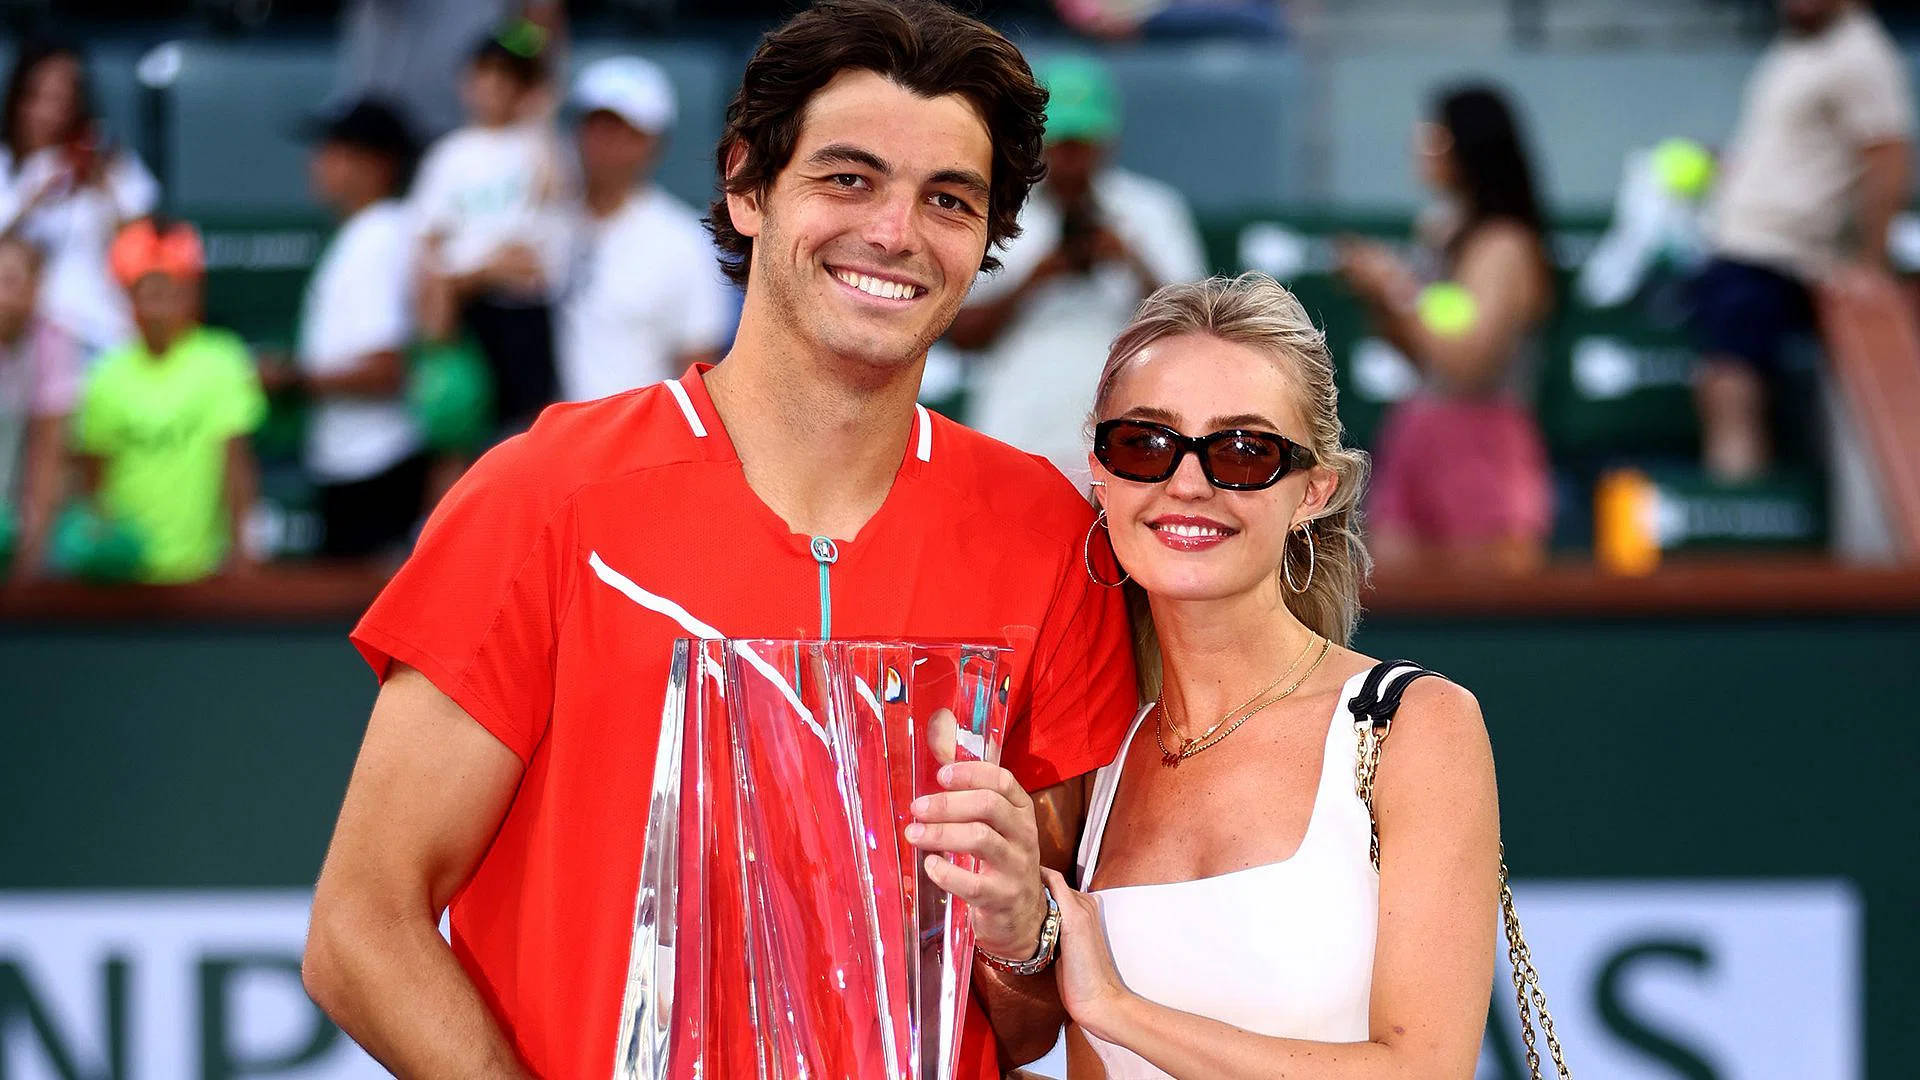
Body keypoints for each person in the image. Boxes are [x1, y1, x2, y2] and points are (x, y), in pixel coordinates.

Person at [302, 3, 1136, 1078]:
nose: (894, 230)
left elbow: (1023, 1024)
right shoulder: (542, 498)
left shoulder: (1049, 536)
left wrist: (1024, 934)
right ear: (747, 185)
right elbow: (361, 929)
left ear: (986, 239)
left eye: (948, 198)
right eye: (848, 178)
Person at [1041, 273, 1498, 1078]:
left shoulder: (1411, 723)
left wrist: (1117, 1008)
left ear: (1313, 492)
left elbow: (1422, 1071)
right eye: (1145, 444)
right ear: (1100, 475)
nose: (1188, 482)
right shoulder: (1098, 751)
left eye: (1243, 452)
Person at [950, 54, 1206, 487]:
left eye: (1081, 144)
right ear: (1037, 141)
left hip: (1127, 431)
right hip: (1016, 427)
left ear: (1106, 141)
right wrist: (1035, 280)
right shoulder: (996, 208)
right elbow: (960, 333)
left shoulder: (1151, 211)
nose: (1070, 158)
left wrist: (1131, 263)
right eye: (1060, 142)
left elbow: (1196, 330)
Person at [1691, 0, 1913, 482]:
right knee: (1723, 376)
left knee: (1732, 379)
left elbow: (1888, 155)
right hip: (1741, 244)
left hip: (1780, 254)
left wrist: (1870, 262)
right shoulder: (1795, 46)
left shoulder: (1861, 54)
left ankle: (1740, 510)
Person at [1337, 84, 1555, 576]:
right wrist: (1383, 300)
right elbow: (1425, 352)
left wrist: (1398, 287)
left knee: (1487, 597)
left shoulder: (1506, 245)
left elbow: (1468, 359)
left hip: (1482, 440)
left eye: (1437, 137)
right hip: (1420, 429)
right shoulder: (1439, 232)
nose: (1423, 148)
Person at [270, 98, 430, 559]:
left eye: (336, 150)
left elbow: (386, 370)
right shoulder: (370, 233)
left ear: (378, 165)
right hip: (353, 466)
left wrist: (290, 379)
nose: (318, 163)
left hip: (378, 473)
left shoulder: (379, 237)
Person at [72, 220, 265, 583]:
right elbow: (95, 482)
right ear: (128, 298)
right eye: (148, 290)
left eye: (170, 289)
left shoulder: (222, 360)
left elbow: (237, 467)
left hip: (202, 572)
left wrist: (245, 555)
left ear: (190, 294)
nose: (159, 302)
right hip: (123, 576)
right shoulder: (105, 376)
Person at [409, 20, 574, 436]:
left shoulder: (541, 146)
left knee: (527, 435)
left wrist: (542, 114)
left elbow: (554, 199)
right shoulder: (448, 156)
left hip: (524, 314)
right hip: (465, 317)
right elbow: (428, 250)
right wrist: (474, 279)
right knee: (460, 438)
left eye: (509, 76)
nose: (495, 86)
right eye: (486, 72)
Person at [556, 56, 732, 402]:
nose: (605, 141)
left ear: (653, 143)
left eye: (625, 131)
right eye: (596, 125)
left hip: (631, 442)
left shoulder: (682, 241)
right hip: (540, 438)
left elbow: (697, 365)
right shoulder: (545, 221)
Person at [0, 40, 161, 359]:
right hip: (22, 347)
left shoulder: (109, 160)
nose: (51, 111)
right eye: (40, 97)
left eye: (64, 99)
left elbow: (146, 248)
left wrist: (104, 185)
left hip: (103, 335)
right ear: (18, 99)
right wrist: (30, 201)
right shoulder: (6, 167)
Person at [0, 235, 82, 580]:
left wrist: (32, 549)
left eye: (12, 281)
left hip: (20, 514)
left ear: (37, 287)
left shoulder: (53, 342)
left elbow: (49, 453)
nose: (4, 293)